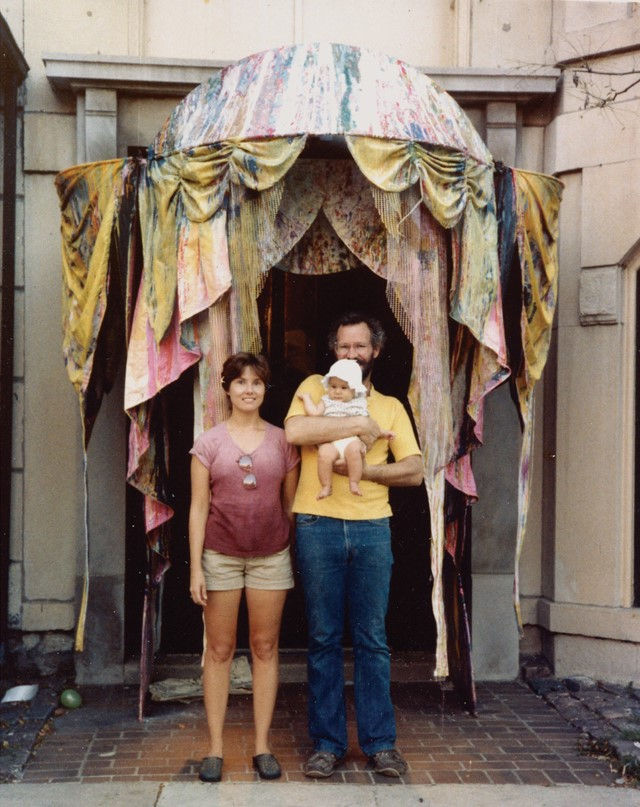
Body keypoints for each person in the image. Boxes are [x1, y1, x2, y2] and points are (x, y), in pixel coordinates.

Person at [285, 312, 423, 779]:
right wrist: (358, 427)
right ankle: (327, 744)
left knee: (372, 639)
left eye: (359, 347)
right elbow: (296, 432)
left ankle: (380, 744)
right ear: (334, 351)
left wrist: (363, 470)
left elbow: (414, 469)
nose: (350, 355)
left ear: (375, 351)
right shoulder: (314, 385)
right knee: (323, 637)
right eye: (343, 347)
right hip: (318, 524)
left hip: (370, 527)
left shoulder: (390, 406)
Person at [189, 352, 300, 783]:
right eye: (240, 382)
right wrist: (197, 568)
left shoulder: (282, 441)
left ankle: (262, 746)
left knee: (265, 648)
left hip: (270, 557)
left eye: (256, 382)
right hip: (220, 556)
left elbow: (289, 505)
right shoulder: (209, 443)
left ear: (264, 389)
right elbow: (199, 509)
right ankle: (215, 748)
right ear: (227, 388)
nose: (249, 389)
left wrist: (289, 548)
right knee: (218, 650)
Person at [298, 358, 371, 498]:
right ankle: (326, 486)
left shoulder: (359, 404)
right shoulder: (326, 401)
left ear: (354, 390)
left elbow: (368, 425)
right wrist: (307, 399)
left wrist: (383, 433)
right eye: (333, 386)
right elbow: (314, 413)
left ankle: (354, 482)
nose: (337, 391)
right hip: (331, 442)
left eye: (344, 388)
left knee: (355, 451)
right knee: (324, 454)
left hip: (351, 441)